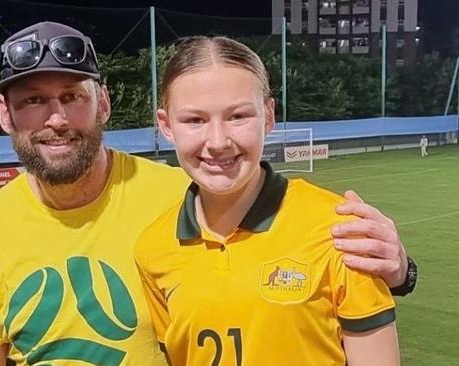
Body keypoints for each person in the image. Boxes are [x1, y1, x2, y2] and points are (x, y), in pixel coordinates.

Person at [0, 21, 416, 365]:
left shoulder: (187, 194)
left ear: (104, 104)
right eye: (33, 101)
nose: (56, 119)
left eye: (73, 97)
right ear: (5, 114)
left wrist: (400, 269)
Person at [134, 36, 400, 366]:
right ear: (166, 126)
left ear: (269, 116)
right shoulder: (153, 248)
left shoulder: (339, 230)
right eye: (194, 120)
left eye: (238, 116)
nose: (217, 141)